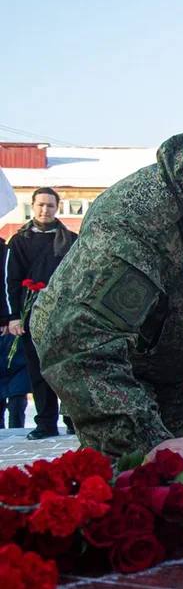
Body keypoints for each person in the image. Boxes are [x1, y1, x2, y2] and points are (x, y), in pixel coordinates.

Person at [30, 106, 183, 475]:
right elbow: (77, 343)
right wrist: (147, 440)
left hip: (180, 375)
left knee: (173, 487)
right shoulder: (133, 222)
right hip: (112, 375)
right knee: (129, 487)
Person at [3, 187, 79, 438]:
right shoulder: (19, 241)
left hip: (64, 315)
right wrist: (14, 316)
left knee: (68, 369)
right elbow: (11, 280)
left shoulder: (71, 239)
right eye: (41, 205)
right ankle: (45, 423)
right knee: (38, 371)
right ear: (33, 206)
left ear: (57, 207)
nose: (45, 210)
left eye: (50, 205)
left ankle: (73, 419)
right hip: (32, 314)